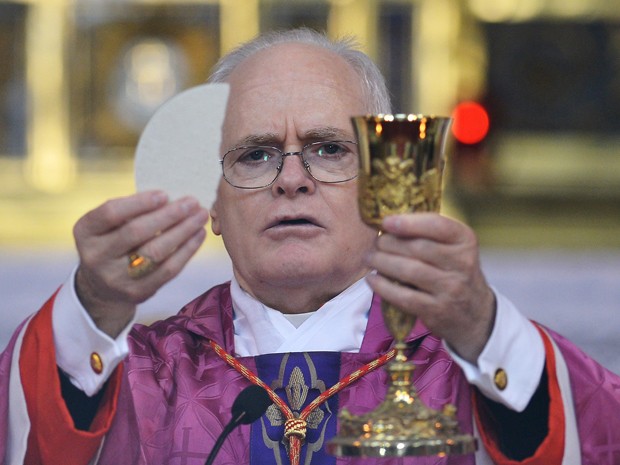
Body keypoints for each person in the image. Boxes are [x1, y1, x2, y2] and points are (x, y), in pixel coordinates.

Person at [1, 28, 619, 465]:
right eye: (255, 153)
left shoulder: (469, 369)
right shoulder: (140, 377)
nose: (291, 179)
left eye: (328, 148)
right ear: (212, 202)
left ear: (383, 184)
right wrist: (93, 304)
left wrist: (484, 327)